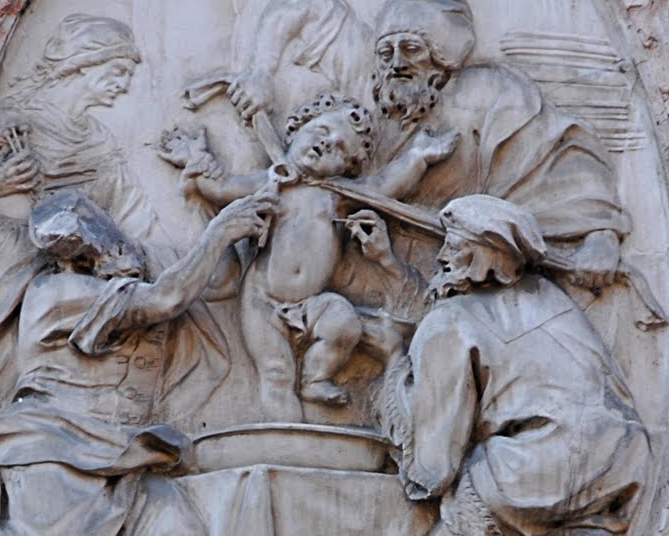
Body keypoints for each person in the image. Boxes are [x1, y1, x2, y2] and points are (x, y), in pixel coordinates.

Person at [227, 0, 629, 289]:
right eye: (387, 52)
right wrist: (261, 71)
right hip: (330, 271)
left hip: (451, 274)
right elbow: (303, 7)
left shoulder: (490, 94)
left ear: (443, 59)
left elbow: (565, 160)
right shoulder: (365, 81)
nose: (396, 63)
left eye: (412, 50)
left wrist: (600, 239)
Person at [159, 93, 459, 421]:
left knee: (344, 323)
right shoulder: (272, 182)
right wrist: (196, 161)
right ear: (296, 130)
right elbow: (225, 187)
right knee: (276, 372)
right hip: (262, 301)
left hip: (314, 303)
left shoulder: (337, 195)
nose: (328, 144)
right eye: (322, 131)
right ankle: (286, 433)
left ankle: (315, 378)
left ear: (346, 168)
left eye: (340, 149)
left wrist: (418, 157)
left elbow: (383, 186)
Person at [0, 188, 276, 535]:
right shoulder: (56, 293)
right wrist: (219, 232)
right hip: (54, 454)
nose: (123, 252)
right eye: (108, 245)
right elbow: (165, 298)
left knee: (180, 528)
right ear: (80, 257)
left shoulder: (114, 279)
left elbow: (217, 284)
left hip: (123, 452)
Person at [372, 195, 650, 535]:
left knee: (458, 516)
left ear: (484, 257)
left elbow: (435, 466)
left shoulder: (448, 323)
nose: (441, 256)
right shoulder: (548, 294)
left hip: (534, 466)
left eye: (454, 247)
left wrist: (392, 360)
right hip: (622, 454)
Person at [0, 13, 171, 404]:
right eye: (117, 71)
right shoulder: (12, 120)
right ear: (82, 65)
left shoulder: (98, 140)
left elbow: (132, 211)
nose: (124, 84)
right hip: (9, 259)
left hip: (69, 270)